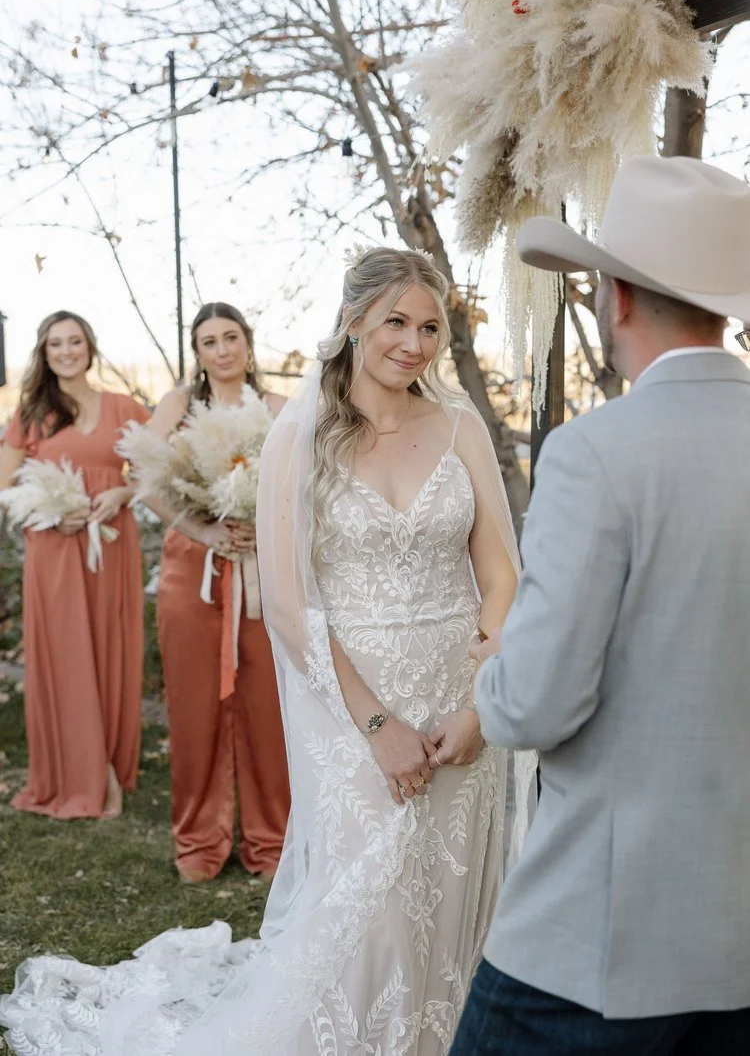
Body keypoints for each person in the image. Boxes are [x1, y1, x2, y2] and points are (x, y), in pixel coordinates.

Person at [0, 251, 534, 1056]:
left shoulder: (459, 426)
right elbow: (289, 604)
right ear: (354, 321)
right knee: (375, 905)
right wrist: (378, 724)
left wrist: (479, 705)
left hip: (458, 702)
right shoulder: (302, 432)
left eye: (429, 326)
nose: (415, 343)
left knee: (452, 895)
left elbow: (502, 573)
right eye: (396, 321)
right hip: (352, 704)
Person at [451, 155, 750, 1056]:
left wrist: (494, 664)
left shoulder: (595, 453)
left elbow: (535, 702)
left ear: (616, 296)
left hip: (598, 939)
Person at [144, 303, 290, 884]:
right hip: (193, 570)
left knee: (266, 708)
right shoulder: (179, 407)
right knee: (195, 705)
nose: (222, 349)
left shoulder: (280, 409)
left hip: (262, 569)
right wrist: (203, 529)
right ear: (197, 352)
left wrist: (268, 526)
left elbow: (307, 485)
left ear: (248, 344)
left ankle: (271, 842)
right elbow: (146, 479)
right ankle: (199, 844)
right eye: (209, 341)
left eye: (232, 337)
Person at [0, 310, 149, 820]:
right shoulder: (31, 414)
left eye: (75, 341)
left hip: (112, 544)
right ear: (44, 353)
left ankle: (109, 763)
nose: (66, 351)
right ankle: (88, 778)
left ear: (90, 346)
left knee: (110, 649)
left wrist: (124, 491)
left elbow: (158, 474)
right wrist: (50, 511)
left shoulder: (124, 407)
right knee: (67, 654)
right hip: (55, 549)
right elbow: (4, 486)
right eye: (56, 343)